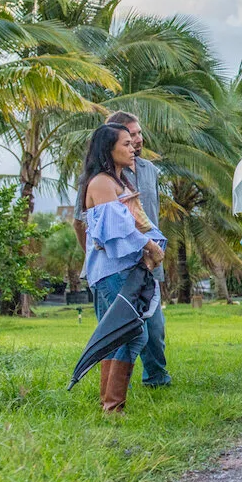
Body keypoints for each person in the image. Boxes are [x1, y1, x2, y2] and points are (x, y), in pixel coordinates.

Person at [74, 111, 170, 387]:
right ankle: (112, 403)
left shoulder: (126, 179)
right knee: (124, 333)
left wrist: (152, 248)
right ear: (109, 146)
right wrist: (150, 245)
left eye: (136, 138)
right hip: (115, 267)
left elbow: (142, 220)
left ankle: (117, 399)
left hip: (138, 265)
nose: (135, 144)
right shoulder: (102, 182)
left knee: (140, 331)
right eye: (127, 141)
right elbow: (117, 232)